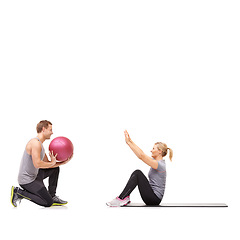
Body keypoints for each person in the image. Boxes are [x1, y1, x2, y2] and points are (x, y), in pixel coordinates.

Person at [11, 120, 72, 207]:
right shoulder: (35, 143)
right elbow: (37, 164)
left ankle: (52, 195)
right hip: (27, 181)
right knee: (48, 203)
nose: (52, 132)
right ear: (43, 129)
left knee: (54, 169)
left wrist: (62, 162)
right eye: (50, 130)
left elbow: (48, 164)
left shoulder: (40, 145)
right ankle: (19, 192)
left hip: (35, 176)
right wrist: (52, 163)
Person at [106, 130, 173, 207]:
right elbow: (141, 154)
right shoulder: (155, 162)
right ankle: (124, 197)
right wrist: (129, 142)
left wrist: (130, 142)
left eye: (153, 149)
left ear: (160, 151)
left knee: (138, 173)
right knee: (137, 173)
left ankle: (122, 198)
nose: (151, 150)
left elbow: (141, 156)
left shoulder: (160, 165)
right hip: (151, 197)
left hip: (154, 199)